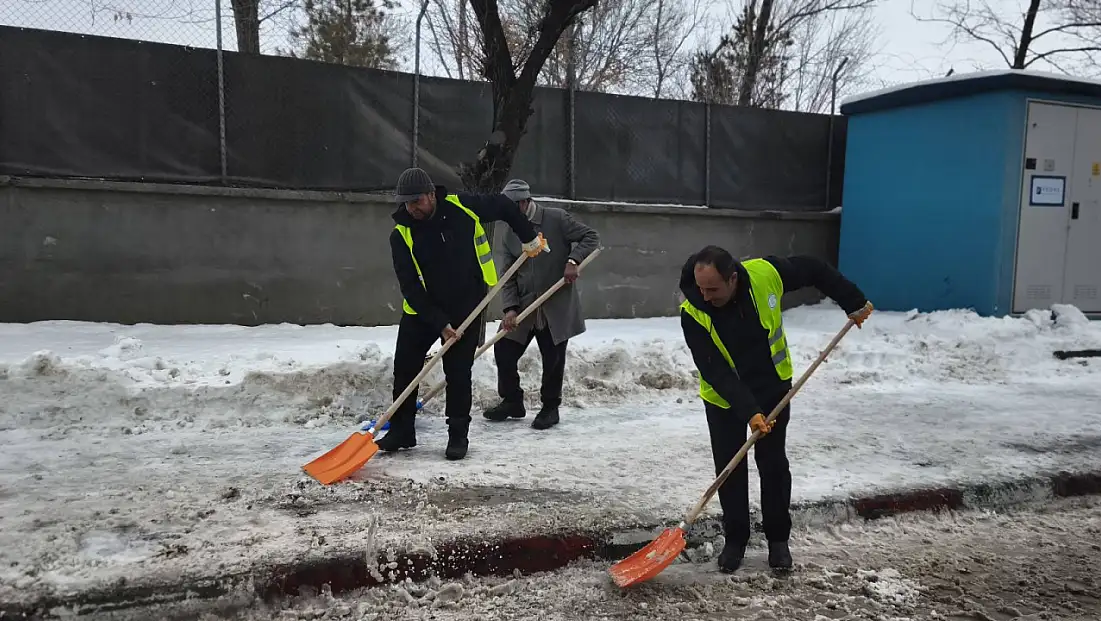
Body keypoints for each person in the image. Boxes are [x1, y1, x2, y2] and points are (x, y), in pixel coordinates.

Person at [678, 245, 873, 572]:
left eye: (713, 289)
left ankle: (778, 540)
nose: (705, 295)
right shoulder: (693, 312)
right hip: (724, 399)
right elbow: (716, 371)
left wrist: (852, 300)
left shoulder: (765, 275)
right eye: (700, 288)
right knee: (730, 469)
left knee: (773, 465)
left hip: (772, 389)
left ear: (733, 279)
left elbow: (814, 267)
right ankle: (736, 540)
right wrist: (748, 411)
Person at [378, 168, 546, 461]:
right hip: (421, 310)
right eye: (407, 203)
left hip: (466, 306)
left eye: (417, 201)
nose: (412, 208)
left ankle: (458, 435)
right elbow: (410, 286)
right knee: (405, 368)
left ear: (432, 195)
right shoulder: (401, 233)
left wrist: (528, 237)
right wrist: (439, 324)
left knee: (458, 373)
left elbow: (505, 206)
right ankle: (402, 430)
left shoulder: (462, 206)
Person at [482, 179, 600, 430]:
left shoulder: (556, 219)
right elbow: (508, 273)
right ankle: (512, 400)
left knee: (553, 359)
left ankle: (550, 408)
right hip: (525, 306)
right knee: (504, 351)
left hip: (554, 304)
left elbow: (591, 236)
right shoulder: (510, 232)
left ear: (524, 203)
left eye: (512, 208)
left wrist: (573, 260)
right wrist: (510, 308)